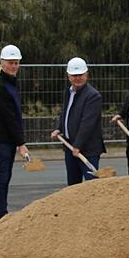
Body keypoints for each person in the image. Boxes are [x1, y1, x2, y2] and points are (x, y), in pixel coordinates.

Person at [0, 45, 29, 221]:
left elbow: (15, 115)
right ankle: (1, 214)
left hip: (9, 139)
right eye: (10, 63)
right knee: (2, 176)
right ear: (2, 63)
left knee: (6, 175)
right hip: (2, 140)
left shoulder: (11, 82)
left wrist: (18, 141)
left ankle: (2, 212)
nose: (14, 66)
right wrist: (21, 143)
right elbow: (9, 117)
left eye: (16, 63)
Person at [50, 57, 106, 185]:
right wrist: (59, 128)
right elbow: (66, 113)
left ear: (86, 74)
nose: (77, 78)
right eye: (74, 75)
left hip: (87, 149)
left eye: (80, 75)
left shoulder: (93, 96)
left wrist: (78, 145)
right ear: (68, 76)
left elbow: (88, 123)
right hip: (70, 147)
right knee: (73, 187)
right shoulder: (69, 92)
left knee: (91, 186)